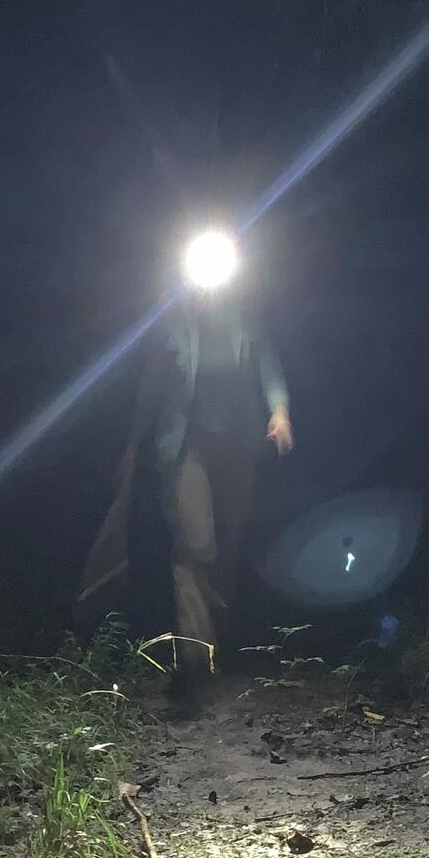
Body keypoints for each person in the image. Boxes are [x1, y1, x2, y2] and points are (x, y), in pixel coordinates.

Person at [76, 275, 292, 708]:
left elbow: (271, 369)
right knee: (196, 544)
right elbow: (150, 388)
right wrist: (134, 444)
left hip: (237, 448)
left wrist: (280, 413)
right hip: (185, 446)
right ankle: (193, 659)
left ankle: (216, 650)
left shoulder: (247, 318)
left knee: (227, 545)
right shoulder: (173, 324)